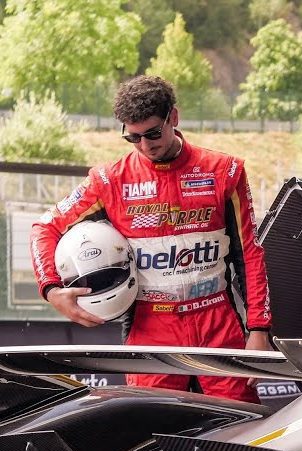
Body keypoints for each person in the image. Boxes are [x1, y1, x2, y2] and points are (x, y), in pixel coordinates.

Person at [30, 76, 272, 404]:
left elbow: (249, 253)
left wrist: (259, 329)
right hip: (150, 328)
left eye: (153, 133)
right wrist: (52, 289)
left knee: (242, 434)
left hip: (217, 324)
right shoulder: (108, 181)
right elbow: (43, 228)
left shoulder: (225, 171)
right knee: (154, 438)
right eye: (133, 137)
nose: (145, 145)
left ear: (173, 117)